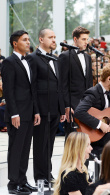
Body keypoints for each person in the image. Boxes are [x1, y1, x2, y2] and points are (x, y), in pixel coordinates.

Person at [2, 30, 41, 194]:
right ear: (15, 43)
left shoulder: (28, 61)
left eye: (28, 39)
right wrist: (13, 114)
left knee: (25, 149)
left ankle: (23, 181)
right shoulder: (9, 62)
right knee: (16, 149)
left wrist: (36, 111)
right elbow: (8, 91)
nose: (28, 42)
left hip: (30, 112)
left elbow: (32, 90)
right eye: (24, 40)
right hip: (17, 114)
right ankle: (13, 183)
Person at [26, 29, 66, 186]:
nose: (54, 40)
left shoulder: (55, 59)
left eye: (55, 37)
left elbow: (59, 86)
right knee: (40, 145)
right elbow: (32, 87)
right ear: (41, 39)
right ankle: (40, 178)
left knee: (49, 144)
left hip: (54, 110)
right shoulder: (32, 58)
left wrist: (62, 109)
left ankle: (47, 174)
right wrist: (35, 110)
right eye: (50, 37)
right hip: (41, 110)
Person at [74, 63, 110, 152]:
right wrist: (100, 124)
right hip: (94, 135)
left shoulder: (109, 94)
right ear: (109, 79)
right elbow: (79, 112)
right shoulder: (93, 92)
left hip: (105, 134)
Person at [58, 26, 93, 139]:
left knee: (86, 137)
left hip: (86, 104)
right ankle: (70, 157)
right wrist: (66, 105)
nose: (86, 42)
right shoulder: (64, 56)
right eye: (83, 39)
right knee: (72, 138)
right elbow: (62, 84)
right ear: (75, 39)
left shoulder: (88, 58)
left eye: (87, 39)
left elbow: (89, 83)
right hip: (72, 104)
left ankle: (85, 157)